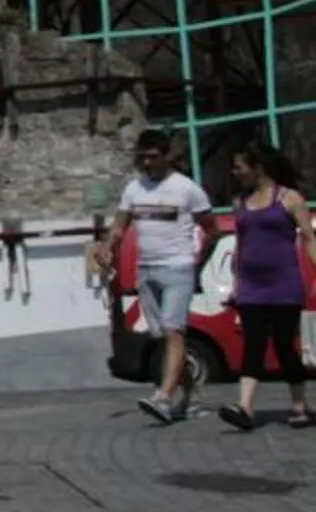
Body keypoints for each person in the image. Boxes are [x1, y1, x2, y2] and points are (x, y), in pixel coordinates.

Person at [94, 130, 210, 424]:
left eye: (153, 156)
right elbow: (120, 226)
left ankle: (162, 396)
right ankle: (192, 394)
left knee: (174, 332)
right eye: (142, 156)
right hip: (147, 269)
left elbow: (212, 228)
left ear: (166, 154)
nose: (148, 162)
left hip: (178, 267)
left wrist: (197, 260)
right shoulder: (134, 188)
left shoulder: (187, 188)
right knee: (162, 337)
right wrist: (108, 247)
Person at [220, 143, 314, 431]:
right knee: (254, 343)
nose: (236, 173)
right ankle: (245, 408)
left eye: (240, 167)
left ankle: (300, 406)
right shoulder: (241, 202)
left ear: (257, 168)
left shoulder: (289, 198)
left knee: (285, 346)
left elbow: (309, 238)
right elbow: (241, 243)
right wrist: (236, 283)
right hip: (251, 286)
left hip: (284, 284)